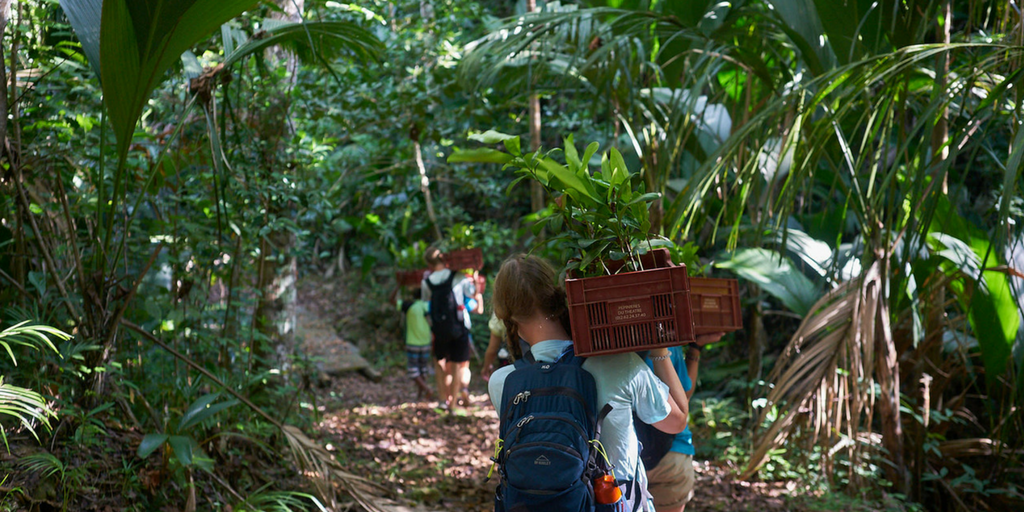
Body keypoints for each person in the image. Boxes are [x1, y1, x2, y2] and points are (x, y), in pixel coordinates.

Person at [487, 254, 691, 511]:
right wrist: (659, 349)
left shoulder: (503, 382)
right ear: (559, 297)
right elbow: (677, 420)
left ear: (507, 315)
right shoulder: (619, 364)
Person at [642, 339, 718, 512]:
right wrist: (694, 349)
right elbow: (682, 400)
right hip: (672, 454)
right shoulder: (664, 338)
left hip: (617, 459)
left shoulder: (598, 344)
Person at [422, 247, 480, 411]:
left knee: (439, 362)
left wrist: (433, 325)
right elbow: (472, 293)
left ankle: (442, 400)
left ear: (428, 263)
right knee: (456, 366)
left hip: (439, 330)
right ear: (444, 258)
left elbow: (426, 305)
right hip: (459, 328)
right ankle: (453, 404)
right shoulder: (458, 277)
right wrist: (474, 280)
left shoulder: (426, 282)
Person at [397, 289, 434, 401]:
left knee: (413, 371)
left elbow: (392, 300)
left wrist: (398, 286)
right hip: (426, 342)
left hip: (413, 342)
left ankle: (427, 390)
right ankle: (420, 395)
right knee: (422, 370)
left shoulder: (409, 305)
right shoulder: (428, 305)